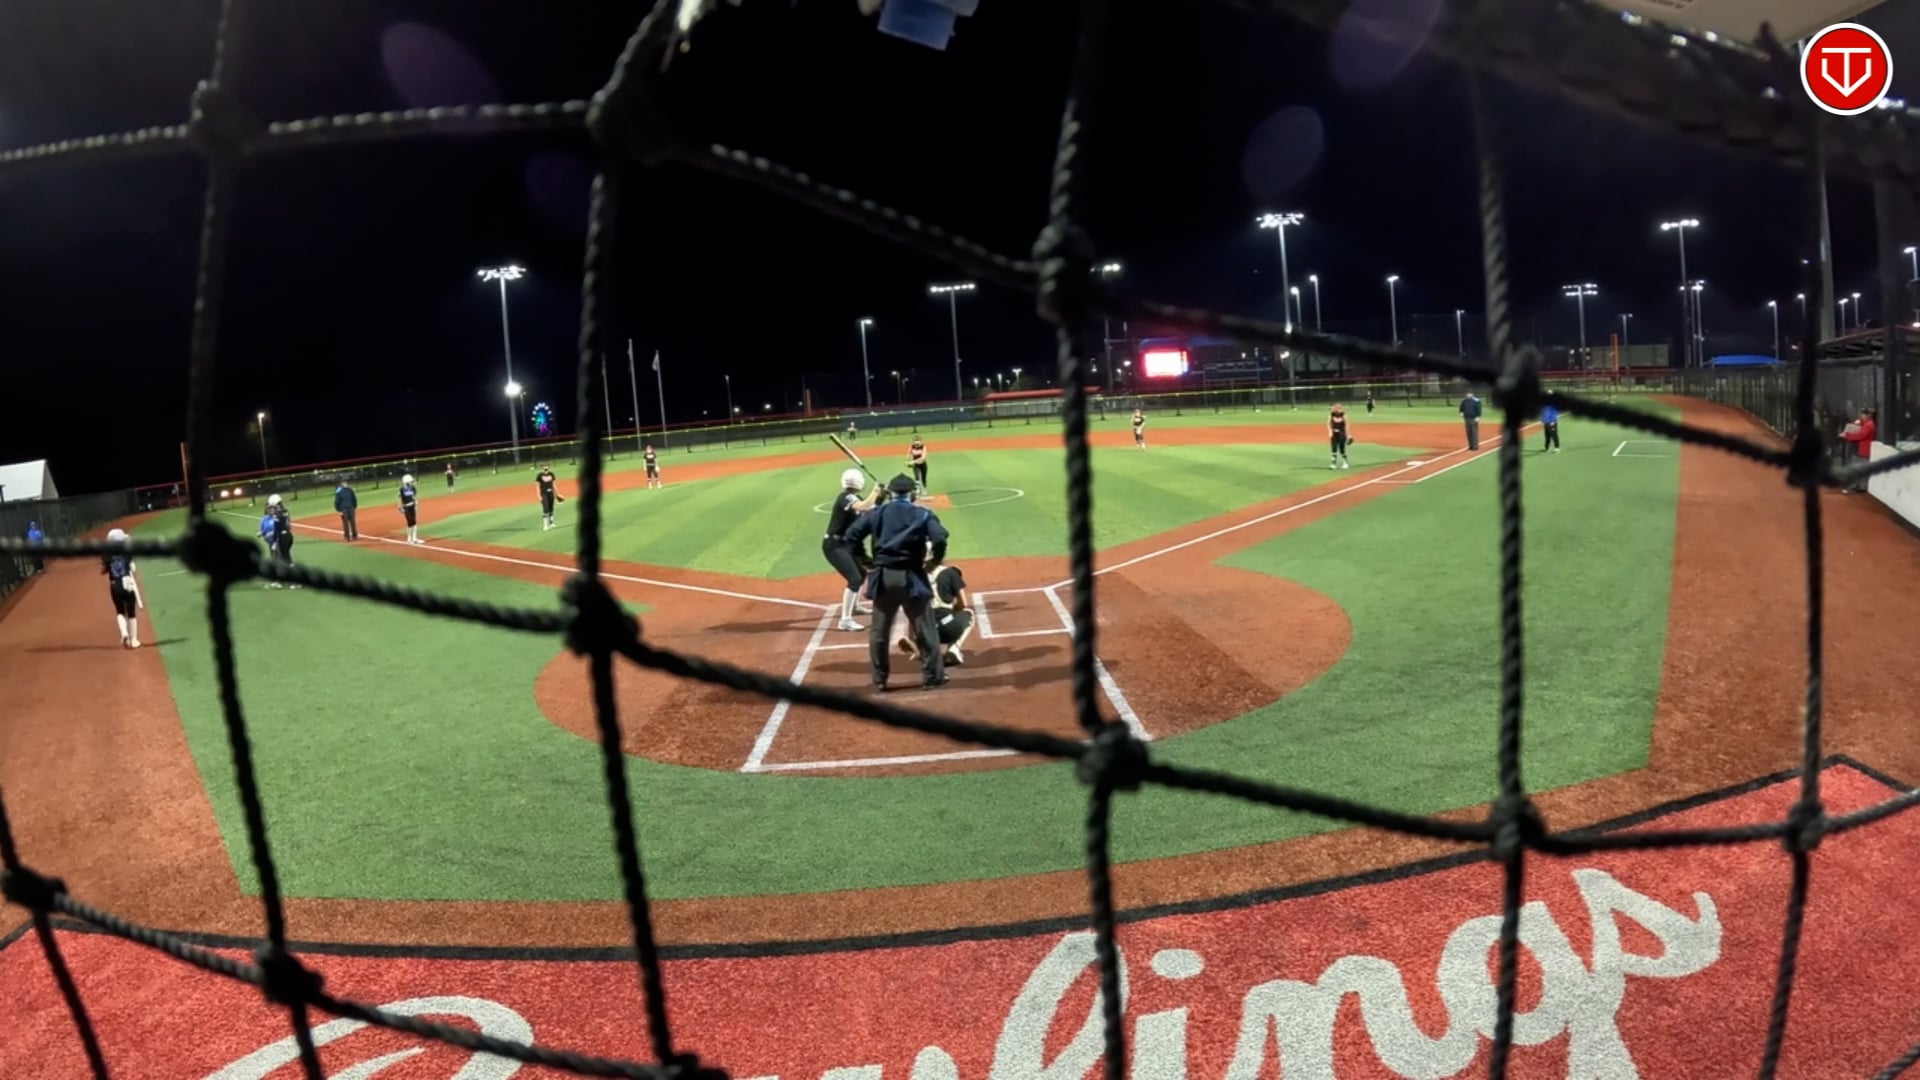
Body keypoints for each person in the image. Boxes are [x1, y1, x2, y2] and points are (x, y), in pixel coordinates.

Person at [845, 474, 949, 690]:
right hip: (913, 577)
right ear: (912, 493)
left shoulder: (876, 513)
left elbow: (851, 536)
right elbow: (940, 537)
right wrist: (934, 561)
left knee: (879, 631)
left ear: (890, 493)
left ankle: (879, 680)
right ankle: (932, 677)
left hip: (884, 577)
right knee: (924, 628)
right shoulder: (923, 514)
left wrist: (865, 560)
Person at [823, 468, 885, 632]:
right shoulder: (845, 497)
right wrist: (875, 490)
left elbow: (869, 511)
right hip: (834, 545)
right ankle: (845, 620)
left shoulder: (854, 498)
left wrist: (880, 497)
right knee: (854, 578)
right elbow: (863, 506)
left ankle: (855, 606)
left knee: (861, 574)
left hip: (843, 544)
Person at [102, 528, 142, 649]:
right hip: (127, 583)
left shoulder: (106, 554)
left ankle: (124, 632)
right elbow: (133, 568)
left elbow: (104, 570)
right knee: (131, 613)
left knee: (120, 611)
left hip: (114, 584)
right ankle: (133, 640)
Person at [1840, 407, 1877, 493]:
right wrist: (1856, 423)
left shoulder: (1869, 425)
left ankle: (1855, 487)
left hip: (1863, 451)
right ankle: (1861, 486)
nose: (1863, 416)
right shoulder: (1864, 422)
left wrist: (1846, 435)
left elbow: (1860, 435)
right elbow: (1856, 425)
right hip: (1860, 450)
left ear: (1869, 415)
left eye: (1865, 414)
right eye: (1862, 414)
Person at [537, 464, 565, 530]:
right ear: (542, 467)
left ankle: (551, 523)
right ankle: (545, 526)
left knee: (551, 509)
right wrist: (539, 496)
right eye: (544, 466)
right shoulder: (540, 475)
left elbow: (554, 484)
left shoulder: (551, 474)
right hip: (544, 494)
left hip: (551, 493)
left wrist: (557, 494)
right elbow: (537, 486)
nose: (545, 467)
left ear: (548, 467)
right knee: (545, 509)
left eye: (546, 465)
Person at [398, 473, 422, 544]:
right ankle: (409, 538)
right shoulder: (402, 489)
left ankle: (414, 538)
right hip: (406, 506)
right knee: (409, 522)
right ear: (406, 482)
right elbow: (400, 498)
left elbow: (415, 496)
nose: (411, 482)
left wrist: (416, 505)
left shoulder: (413, 488)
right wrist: (400, 507)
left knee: (414, 521)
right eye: (410, 481)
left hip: (412, 506)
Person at [1328, 404, 1351, 469]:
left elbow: (1347, 425)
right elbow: (1328, 423)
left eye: (1337, 408)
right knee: (1334, 449)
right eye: (1335, 408)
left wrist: (1348, 435)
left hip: (1342, 433)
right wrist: (1330, 431)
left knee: (1342, 449)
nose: (1336, 410)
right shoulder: (1331, 414)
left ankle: (1345, 463)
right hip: (1334, 433)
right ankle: (1333, 464)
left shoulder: (1343, 415)